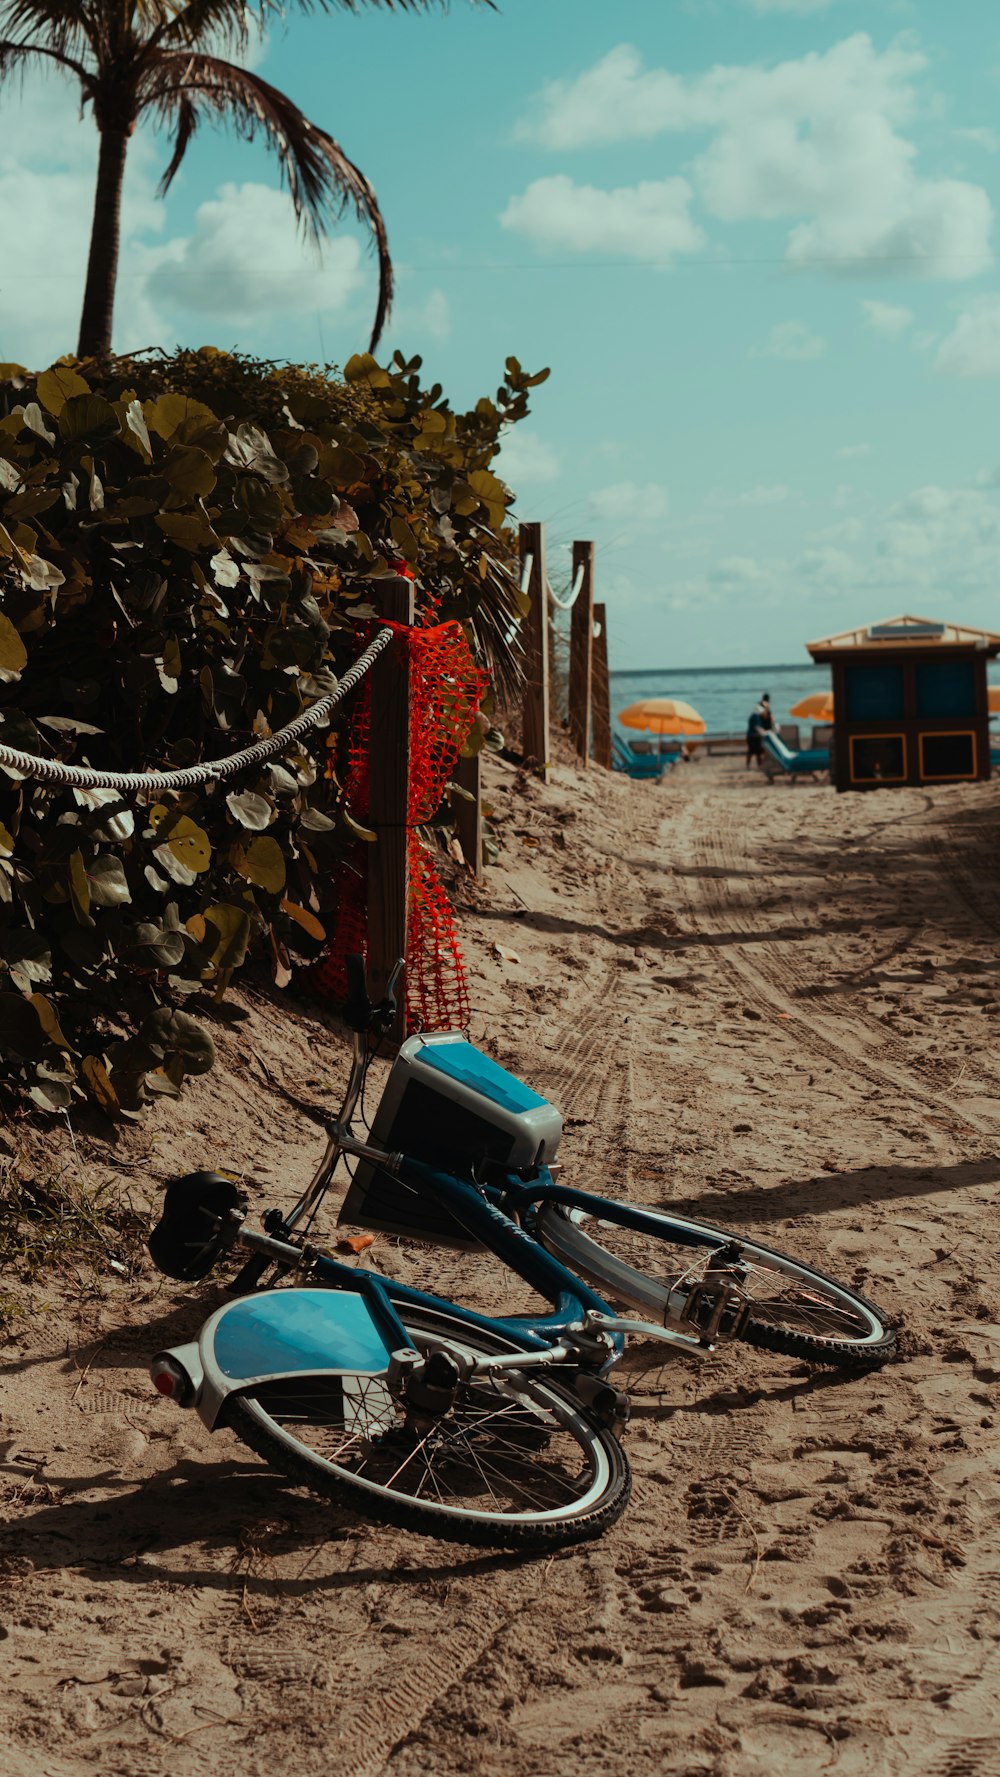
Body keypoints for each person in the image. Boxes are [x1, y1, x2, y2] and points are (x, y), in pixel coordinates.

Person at [746, 693, 774, 770]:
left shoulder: (756, 714)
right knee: (756, 752)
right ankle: (759, 766)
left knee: (753, 752)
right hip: (753, 736)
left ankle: (756, 766)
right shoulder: (756, 716)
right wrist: (764, 732)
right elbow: (757, 727)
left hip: (751, 736)